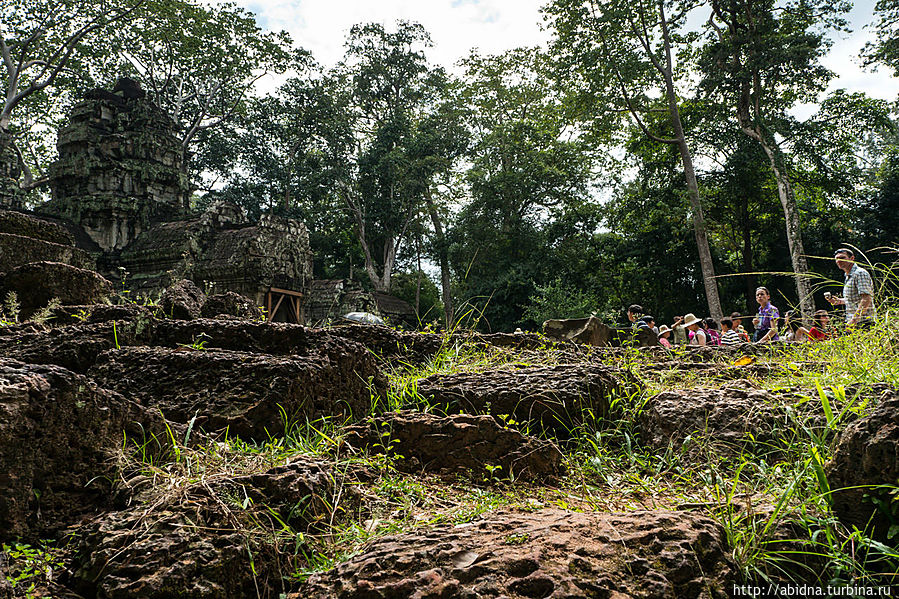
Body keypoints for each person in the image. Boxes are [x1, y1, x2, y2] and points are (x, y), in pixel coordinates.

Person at [826, 248, 876, 328]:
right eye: (836, 259)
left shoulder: (860, 273)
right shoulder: (848, 276)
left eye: (842, 258)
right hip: (853, 323)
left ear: (852, 258)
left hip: (864, 322)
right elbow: (855, 299)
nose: (838, 261)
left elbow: (866, 299)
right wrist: (839, 301)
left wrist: (854, 320)